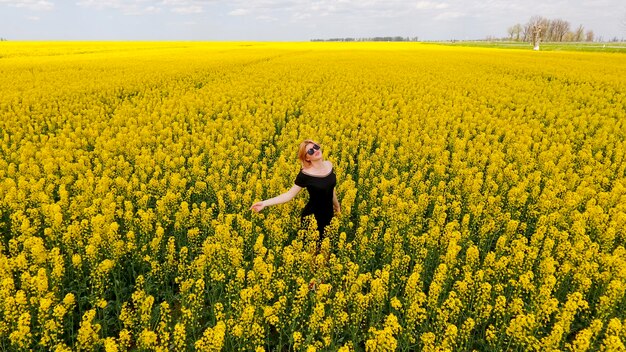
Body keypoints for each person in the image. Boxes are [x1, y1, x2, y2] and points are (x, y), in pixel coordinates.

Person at [250, 139, 341, 247]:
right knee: (313, 249)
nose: (315, 150)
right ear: (307, 158)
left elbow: (331, 188)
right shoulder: (305, 175)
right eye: (310, 151)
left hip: (329, 213)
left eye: (316, 147)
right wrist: (264, 203)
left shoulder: (329, 165)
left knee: (327, 248)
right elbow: (289, 195)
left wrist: (337, 205)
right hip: (312, 217)